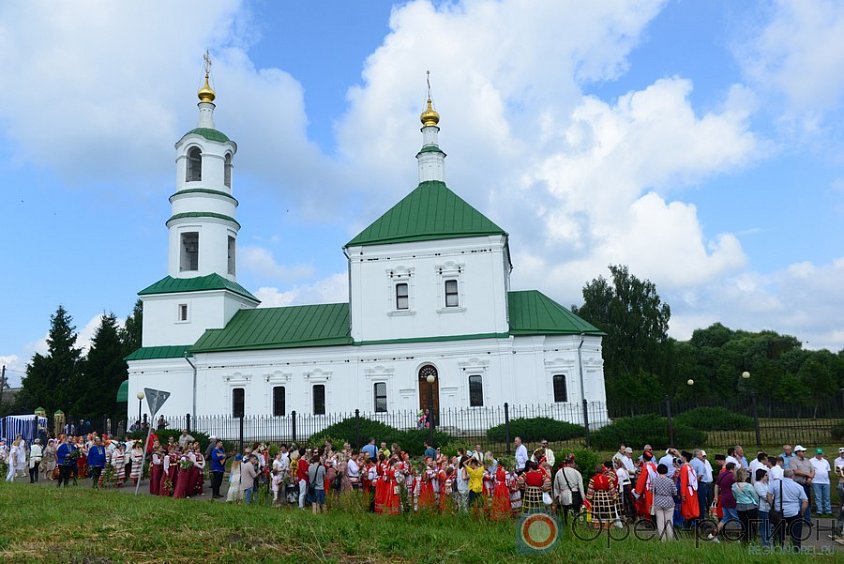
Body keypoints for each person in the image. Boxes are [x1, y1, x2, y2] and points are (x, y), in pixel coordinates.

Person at [768, 469, 809, 551]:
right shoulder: (798, 486)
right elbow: (805, 501)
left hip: (779, 512)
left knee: (778, 534)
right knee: (796, 535)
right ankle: (795, 551)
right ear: (792, 476)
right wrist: (802, 513)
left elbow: (769, 495)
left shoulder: (775, 484)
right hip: (793, 512)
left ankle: (778, 550)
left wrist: (772, 505)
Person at [708, 462, 738, 541]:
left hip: (723, 499)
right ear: (732, 469)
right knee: (737, 518)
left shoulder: (721, 475)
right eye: (735, 469)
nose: (736, 470)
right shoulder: (732, 476)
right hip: (731, 499)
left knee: (725, 518)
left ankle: (713, 534)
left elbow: (716, 485)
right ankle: (740, 537)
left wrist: (716, 496)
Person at [553, 454, 584, 523]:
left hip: (564, 496)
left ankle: (567, 525)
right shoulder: (576, 473)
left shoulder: (559, 473)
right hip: (575, 495)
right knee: (576, 514)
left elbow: (556, 487)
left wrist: (557, 497)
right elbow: (581, 487)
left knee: (565, 514)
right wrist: (583, 499)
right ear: (571, 463)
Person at [732, 468, 759, 544]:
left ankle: (744, 540)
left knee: (743, 524)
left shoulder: (734, 486)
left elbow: (735, 496)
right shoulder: (749, 486)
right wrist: (757, 503)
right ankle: (752, 539)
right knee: (752, 524)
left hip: (739, 506)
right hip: (750, 506)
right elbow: (755, 496)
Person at [651, 463, 676, 541]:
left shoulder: (654, 480)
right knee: (669, 521)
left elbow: (652, 491)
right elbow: (675, 492)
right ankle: (670, 538)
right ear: (666, 471)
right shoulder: (670, 481)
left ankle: (663, 539)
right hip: (669, 502)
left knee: (660, 522)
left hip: (658, 502)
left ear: (658, 471)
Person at [789, 445, 813, 524]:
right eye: (802, 451)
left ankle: (807, 519)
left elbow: (812, 470)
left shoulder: (807, 460)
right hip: (798, 483)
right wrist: (808, 474)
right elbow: (796, 471)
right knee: (799, 502)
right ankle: (798, 519)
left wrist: (810, 478)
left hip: (807, 484)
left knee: (807, 501)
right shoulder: (793, 460)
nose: (804, 452)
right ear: (798, 452)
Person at [809, 448, 832, 515]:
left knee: (827, 497)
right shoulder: (811, 461)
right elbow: (810, 470)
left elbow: (828, 470)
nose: (820, 455)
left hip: (826, 481)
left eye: (820, 453)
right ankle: (819, 510)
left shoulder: (825, 461)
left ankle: (828, 510)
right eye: (818, 454)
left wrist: (828, 478)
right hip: (816, 481)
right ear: (815, 453)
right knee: (818, 497)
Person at [754, 468, 771, 547]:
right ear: (762, 476)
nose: (767, 476)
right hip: (762, 507)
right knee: (764, 525)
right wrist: (771, 498)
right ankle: (765, 543)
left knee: (768, 525)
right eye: (766, 475)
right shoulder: (757, 484)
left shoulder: (766, 483)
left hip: (769, 507)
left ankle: (768, 541)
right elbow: (763, 495)